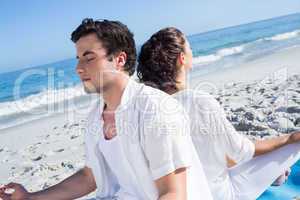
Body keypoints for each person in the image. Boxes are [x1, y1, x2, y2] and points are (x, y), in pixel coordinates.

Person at [0, 19, 213, 200]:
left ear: (119, 60)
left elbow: (172, 193)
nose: (79, 68)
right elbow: (90, 176)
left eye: (89, 58)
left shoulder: (156, 109)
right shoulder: (96, 116)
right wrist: (30, 197)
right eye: (78, 59)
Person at [136, 27, 300, 200]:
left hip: (181, 193)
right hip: (222, 194)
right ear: (182, 59)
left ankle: (275, 175)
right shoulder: (199, 101)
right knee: (294, 142)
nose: (192, 52)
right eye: (189, 48)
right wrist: (288, 139)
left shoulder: (150, 109)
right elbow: (240, 152)